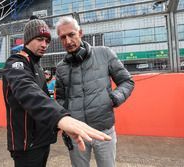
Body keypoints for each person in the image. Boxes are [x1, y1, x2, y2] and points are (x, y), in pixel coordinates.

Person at [2, 17, 111, 167]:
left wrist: (58, 126)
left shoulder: (37, 66)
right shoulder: (16, 62)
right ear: (27, 40)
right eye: (40, 39)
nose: (44, 44)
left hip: (42, 141)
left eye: (47, 41)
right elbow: (28, 92)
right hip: (27, 145)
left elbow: (46, 98)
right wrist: (60, 117)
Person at [55, 16, 135, 167]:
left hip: (104, 129)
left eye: (71, 34)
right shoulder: (61, 67)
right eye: (63, 37)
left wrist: (113, 98)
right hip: (76, 132)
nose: (68, 41)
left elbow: (127, 81)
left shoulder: (105, 53)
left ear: (80, 33)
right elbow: (59, 98)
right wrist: (66, 120)